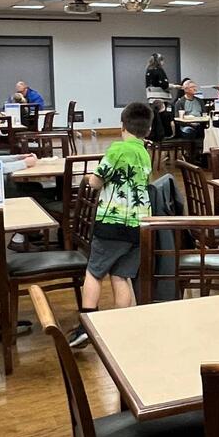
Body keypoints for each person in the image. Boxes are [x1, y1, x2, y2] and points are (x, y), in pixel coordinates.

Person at [67, 102, 154, 349]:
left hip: (112, 224)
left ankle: (87, 325)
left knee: (94, 272)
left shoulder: (117, 149)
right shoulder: (144, 153)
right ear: (147, 131)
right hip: (139, 224)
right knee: (121, 275)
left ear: (122, 126)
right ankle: (121, 327)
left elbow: (96, 182)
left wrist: (86, 177)